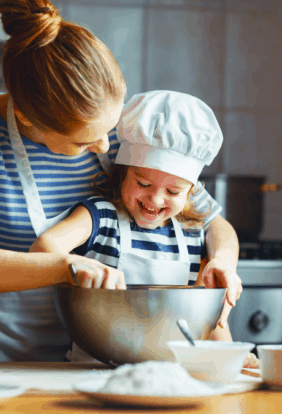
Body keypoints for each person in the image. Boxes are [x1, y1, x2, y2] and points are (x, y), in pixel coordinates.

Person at [0, 0, 242, 363]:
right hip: (4, 365)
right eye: (84, 141)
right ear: (28, 119)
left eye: (110, 128)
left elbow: (212, 222)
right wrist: (64, 267)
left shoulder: (122, 130)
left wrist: (223, 261)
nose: (105, 146)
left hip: (101, 366)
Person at [30, 91, 259, 368]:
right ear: (123, 173)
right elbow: (44, 247)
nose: (156, 199)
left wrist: (230, 357)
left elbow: (210, 319)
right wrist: (76, 267)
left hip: (171, 375)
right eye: (143, 183)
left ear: (191, 193)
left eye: (173, 191)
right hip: (93, 369)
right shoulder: (102, 216)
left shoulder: (192, 233)